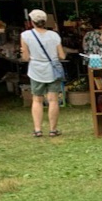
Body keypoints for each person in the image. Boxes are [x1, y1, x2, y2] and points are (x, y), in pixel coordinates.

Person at [20, 9, 65, 138]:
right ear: (45, 21)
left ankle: (38, 129)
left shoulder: (25, 35)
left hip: (35, 70)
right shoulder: (54, 35)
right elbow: (61, 55)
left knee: (37, 100)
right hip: (52, 70)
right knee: (53, 100)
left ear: (32, 22)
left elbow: (25, 58)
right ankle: (53, 129)